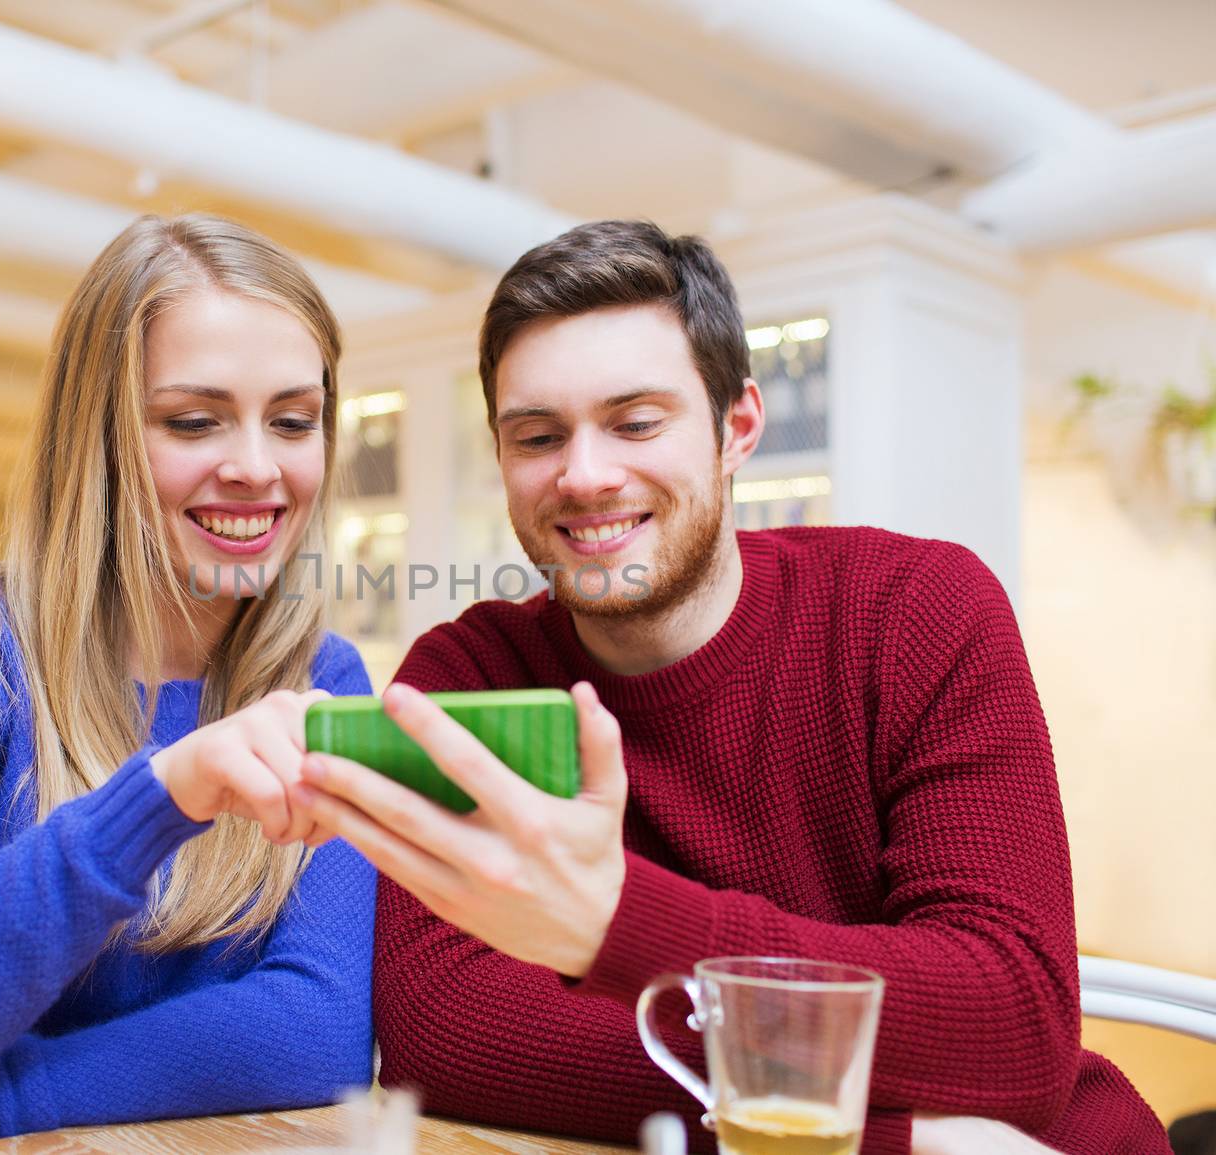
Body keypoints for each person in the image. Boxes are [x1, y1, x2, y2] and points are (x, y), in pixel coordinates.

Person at [292, 221, 1170, 1154]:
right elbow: (457, 1036)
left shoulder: (918, 609)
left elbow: (1011, 1021)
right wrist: (892, 1137)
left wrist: (615, 924)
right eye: (539, 436)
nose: (584, 475)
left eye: (636, 422)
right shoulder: (466, 676)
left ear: (736, 428)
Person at [0, 215, 375, 1153]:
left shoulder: (322, 680)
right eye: (193, 420)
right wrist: (159, 799)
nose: (256, 465)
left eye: (293, 420)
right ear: (98, 435)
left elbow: (313, 1024)